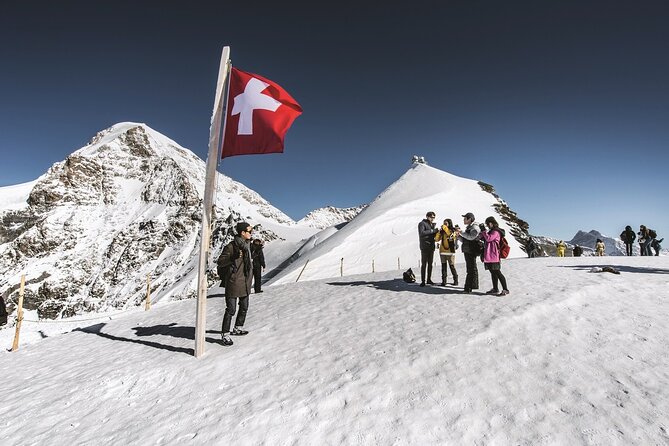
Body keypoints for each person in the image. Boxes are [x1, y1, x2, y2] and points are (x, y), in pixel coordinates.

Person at [217, 222, 254, 346]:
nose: (251, 233)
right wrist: (232, 257)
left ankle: (237, 327)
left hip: (245, 282)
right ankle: (225, 334)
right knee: (231, 309)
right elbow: (221, 261)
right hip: (233, 282)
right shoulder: (231, 247)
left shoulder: (248, 246)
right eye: (249, 231)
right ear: (242, 233)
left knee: (244, 307)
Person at [479, 216, 510, 296]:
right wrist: (482, 233)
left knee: (497, 272)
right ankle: (495, 288)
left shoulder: (496, 232)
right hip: (489, 255)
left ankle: (505, 289)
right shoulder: (490, 231)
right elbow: (484, 238)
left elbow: (489, 238)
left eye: (487, 224)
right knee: (493, 273)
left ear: (491, 223)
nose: (487, 226)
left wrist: (483, 231)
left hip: (494, 255)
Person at [456, 212, 480, 294]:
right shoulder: (470, 227)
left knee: (471, 269)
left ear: (470, 219)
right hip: (468, 250)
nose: (463, 220)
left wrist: (461, 232)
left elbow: (471, 237)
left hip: (471, 250)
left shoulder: (474, 227)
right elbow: (466, 240)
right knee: (471, 268)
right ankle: (472, 286)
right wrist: (458, 236)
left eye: (465, 218)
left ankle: (468, 288)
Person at [434, 218, 458, 286]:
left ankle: (456, 280)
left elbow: (451, 236)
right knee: (443, 267)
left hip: (450, 252)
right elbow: (436, 239)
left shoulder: (453, 230)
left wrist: (445, 228)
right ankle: (444, 281)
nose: (444, 225)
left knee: (452, 266)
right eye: (443, 223)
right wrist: (439, 232)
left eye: (446, 223)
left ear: (449, 224)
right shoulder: (443, 231)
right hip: (442, 251)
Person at [418, 211, 439, 286]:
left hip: (431, 246)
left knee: (430, 264)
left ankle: (429, 279)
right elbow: (422, 233)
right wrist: (432, 231)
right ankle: (423, 281)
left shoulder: (432, 224)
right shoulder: (422, 224)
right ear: (427, 216)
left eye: (434, 217)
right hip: (424, 247)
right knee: (424, 264)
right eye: (431, 217)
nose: (432, 219)